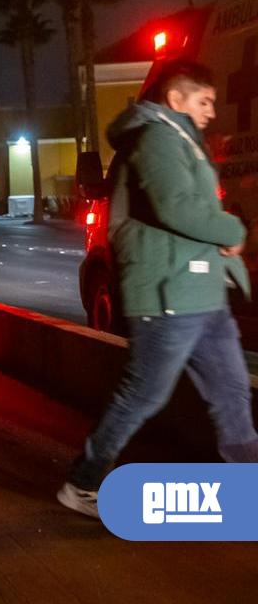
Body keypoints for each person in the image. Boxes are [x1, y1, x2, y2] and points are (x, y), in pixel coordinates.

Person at [58, 60, 258, 518]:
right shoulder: (158, 139)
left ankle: (249, 486)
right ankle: (83, 482)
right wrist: (231, 229)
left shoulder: (181, 139)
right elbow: (177, 208)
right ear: (175, 99)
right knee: (144, 394)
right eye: (203, 101)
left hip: (202, 294)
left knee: (231, 393)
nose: (211, 111)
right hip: (169, 296)